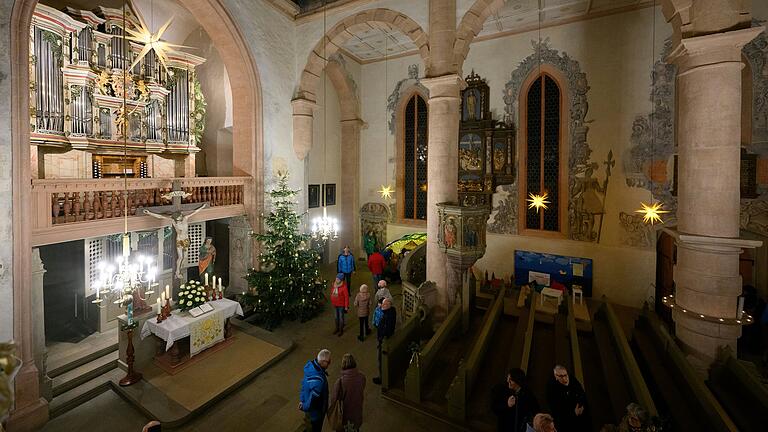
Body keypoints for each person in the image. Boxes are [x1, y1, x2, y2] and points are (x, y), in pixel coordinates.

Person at [143, 202, 207, 279]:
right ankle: (177, 272)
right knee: (180, 257)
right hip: (179, 240)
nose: (178, 220)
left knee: (185, 257)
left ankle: (180, 268)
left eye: (179, 218)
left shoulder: (185, 218)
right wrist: (149, 213)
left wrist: (202, 207)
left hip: (186, 239)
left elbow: (195, 212)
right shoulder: (173, 221)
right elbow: (160, 216)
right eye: (177, 219)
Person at [491, 368, 540, 432]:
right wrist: (507, 405)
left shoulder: (527, 393)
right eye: (508, 378)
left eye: (511, 379)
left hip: (520, 427)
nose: (508, 381)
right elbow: (494, 407)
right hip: (504, 428)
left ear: (518, 381)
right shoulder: (502, 390)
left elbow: (535, 409)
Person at [546, 365, 589, 432]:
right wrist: (573, 413)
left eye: (565, 375)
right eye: (561, 376)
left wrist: (581, 405)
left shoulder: (571, 378)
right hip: (565, 423)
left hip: (580, 418)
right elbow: (556, 411)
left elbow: (581, 393)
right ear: (556, 377)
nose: (565, 379)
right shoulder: (551, 389)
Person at [330, 353, 366, 431]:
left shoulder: (341, 381)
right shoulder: (362, 377)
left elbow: (334, 399)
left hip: (346, 414)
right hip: (357, 410)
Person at [300, 349, 331, 432]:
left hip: (309, 409)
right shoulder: (318, 380)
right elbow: (313, 400)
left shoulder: (310, 368)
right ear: (323, 362)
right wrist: (305, 406)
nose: (329, 364)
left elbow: (303, 384)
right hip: (316, 413)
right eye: (328, 362)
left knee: (308, 425)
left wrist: (302, 401)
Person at [372, 297, 396, 385]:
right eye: (382, 304)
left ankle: (382, 378)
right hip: (384, 338)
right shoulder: (391, 311)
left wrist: (381, 338)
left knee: (381, 359)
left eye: (384, 305)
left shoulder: (387, 316)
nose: (382, 306)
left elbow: (386, 329)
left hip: (384, 340)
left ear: (388, 306)